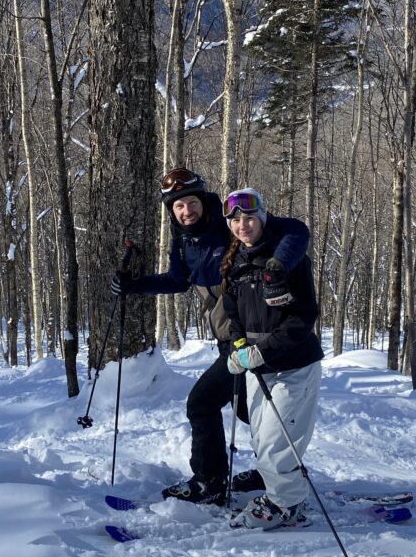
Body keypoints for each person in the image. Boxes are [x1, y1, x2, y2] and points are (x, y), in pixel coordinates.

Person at [111, 168, 310, 506]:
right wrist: (136, 284)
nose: (187, 211)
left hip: (250, 339)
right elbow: (178, 280)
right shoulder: (185, 241)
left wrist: (277, 267)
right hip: (228, 338)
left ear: (203, 200)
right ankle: (271, 471)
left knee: (202, 403)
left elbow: (295, 230)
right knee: (250, 409)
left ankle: (210, 482)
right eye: (178, 206)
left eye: (192, 202)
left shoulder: (227, 224)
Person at [219, 188, 323, 530]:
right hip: (257, 367)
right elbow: (234, 316)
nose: (243, 226)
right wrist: (237, 347)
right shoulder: (235, 265)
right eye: (235, 220)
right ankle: (281, 492)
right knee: (261, 439)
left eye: (249, 218)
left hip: (294, 365)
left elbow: (303, 318)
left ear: (263, 218)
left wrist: (261, 351)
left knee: (280, 440)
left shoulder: (286, 262)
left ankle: (287, 505)